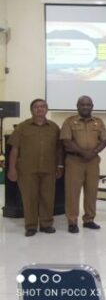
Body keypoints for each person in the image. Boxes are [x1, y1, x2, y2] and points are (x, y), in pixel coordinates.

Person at [7, 99, 63, 237]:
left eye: (43, 106)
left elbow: (59, 149)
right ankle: (31, 226)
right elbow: (14, 149)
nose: (40, 109)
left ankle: (46, 224)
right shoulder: (22, 127)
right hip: (27, 170)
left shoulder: (54, 127)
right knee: (29, 198)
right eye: (36, 107)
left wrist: (60, 165)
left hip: (49, 169)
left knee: (47, 198)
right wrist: (11, 169)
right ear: (31, 110)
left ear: (47, 109)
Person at [60, 96, 106, 233]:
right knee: (72, 193)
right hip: (74, 161)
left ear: (92, 106)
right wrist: (83, 152)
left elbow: (104, 141)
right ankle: (72, 221)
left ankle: (89, 220)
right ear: (77, 106)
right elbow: (66, 141)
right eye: (82, 104)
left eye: (88, 104)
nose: (85, 107)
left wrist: (92, 153)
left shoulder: (98, 122)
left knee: (91, 192)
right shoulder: (69, 121)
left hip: (93, 162)